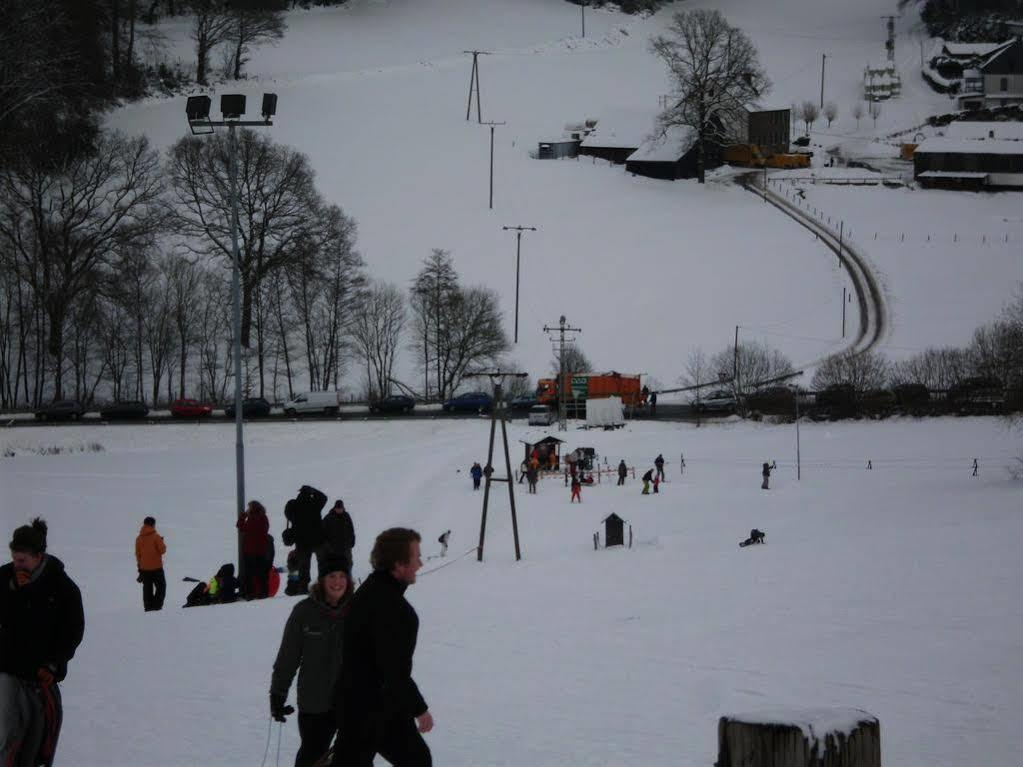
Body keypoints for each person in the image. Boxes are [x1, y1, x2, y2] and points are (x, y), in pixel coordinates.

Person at [332, 529, 433, 767]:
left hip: (364, 703)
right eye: (416, 556)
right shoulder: (395, 610)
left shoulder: (368, 591)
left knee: (417, 759)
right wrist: (420, 709)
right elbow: (394, 670)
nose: (420, 562)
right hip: (365, 709)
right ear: (398, 564)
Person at [0, 519, 84, 767]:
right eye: (14, 558)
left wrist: (54, 664)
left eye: (22, 560)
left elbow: (72, 631)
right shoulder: (4, 578)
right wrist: (14, 590)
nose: (17, 564)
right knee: (10, 731)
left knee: (39, 735)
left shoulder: (63, 587)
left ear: (38, 556)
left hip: (41, 673)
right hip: (7, 667)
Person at [271, 556, 352, 767]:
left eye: (342, 576)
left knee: (354, 756)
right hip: (315, 702)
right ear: (322, 580)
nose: (337, 582)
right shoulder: (304, 612)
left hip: (350, 701)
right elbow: (288, 656)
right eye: (332, 576)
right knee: (312, 757)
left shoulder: (357, 611)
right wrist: (278, 693)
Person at [285, 485, 328, 593]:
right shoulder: (315, 503)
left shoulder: (294, 505)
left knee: (304, 566)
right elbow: (324, 497)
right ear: (310, 493)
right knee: (322, 564)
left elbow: (287, 514)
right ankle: (323, 586)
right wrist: (314, 490)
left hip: (301, 541)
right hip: (317, 540)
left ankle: (303, 587)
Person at [238, 501, 271, 599]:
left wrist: (244, 515)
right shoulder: (264, 518)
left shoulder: (252, 518)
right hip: (261, 550)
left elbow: (241, 526)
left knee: (249, 573)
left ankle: (250, 593)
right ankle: (263, 592)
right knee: (261, 573)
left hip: (250, 550)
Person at [135, 516, 167, 612]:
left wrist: (139, 566)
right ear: (153, 524)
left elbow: (138, 554)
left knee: (147, 589)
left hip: (144, 569)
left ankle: (148, 607)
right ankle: (156, 606)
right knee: (161, 587)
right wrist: (161, 541)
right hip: (157, 568)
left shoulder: (139, 538)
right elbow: (162, 550)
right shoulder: (156, 537)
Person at [322, 500, 356, 575]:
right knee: (334, 568)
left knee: (348, 565)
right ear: (334, 508)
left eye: (340, 508)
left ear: (343, 508)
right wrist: (327, 546)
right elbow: (322, 534)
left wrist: (352, 541)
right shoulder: (328, 518)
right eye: (337, 508)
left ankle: (349, 581)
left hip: (346, 547)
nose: (339, 510)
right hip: (333, 549)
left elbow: (351, 529)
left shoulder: (347, 516)